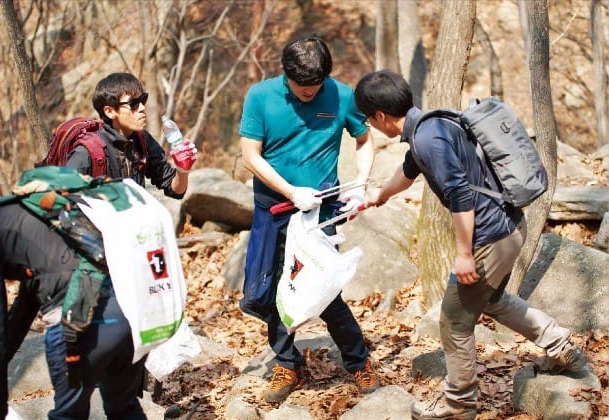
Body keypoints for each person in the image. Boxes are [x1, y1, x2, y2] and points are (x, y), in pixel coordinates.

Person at [354, 69, 588, 420]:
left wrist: (465, 255)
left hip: (491, 238)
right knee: (490, 300)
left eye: (368, 120)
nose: (370, 126)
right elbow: (407, 170)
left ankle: (459, 404)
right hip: (509, 228)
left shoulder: (427, 140)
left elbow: (460, 196)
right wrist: (378, 196)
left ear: (381, 116)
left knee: (453, 320)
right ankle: (561, 347)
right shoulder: (430, 125)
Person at [239, 36, 380, 403]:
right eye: (302, 86)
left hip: (320, 211)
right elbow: (250, 156)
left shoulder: (341, 95)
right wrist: (288, 191)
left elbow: (365, 140)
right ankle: (288, 360)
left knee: (323, 287)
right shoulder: (261, 96)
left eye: (315, 86)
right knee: (263, 290)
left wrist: (360, 187)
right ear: (286, 75)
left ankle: (358, 362)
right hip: (272, 207)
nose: (309, 92)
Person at [0, 199, 148, 419]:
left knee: (68, 415)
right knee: (123, 408)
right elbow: (24, 310)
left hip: (81, 322)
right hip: (131, 312)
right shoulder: (29, 212)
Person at [66, 72, 196, 196]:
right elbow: (65, 202)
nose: (142, 108)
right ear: (110, 112)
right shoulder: (86, 153)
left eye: (143, 100)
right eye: (133, 104)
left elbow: (174, 188)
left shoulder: (143, 140)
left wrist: (182, 171)